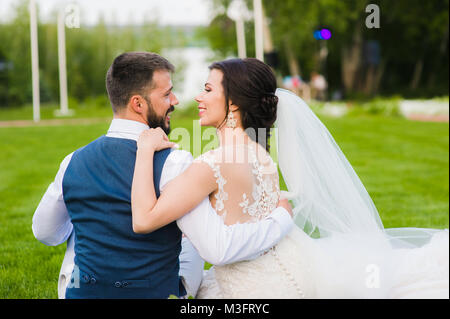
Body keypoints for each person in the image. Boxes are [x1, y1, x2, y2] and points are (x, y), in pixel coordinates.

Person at [132, 58, 449, 298]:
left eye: (208, 89)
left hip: (254, 290)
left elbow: (144, 220)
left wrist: (145, 150)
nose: (199, 98)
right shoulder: (261, 155)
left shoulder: (212, 164)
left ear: (234, 102)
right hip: (289, 273)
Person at [32, 52, 294, 299]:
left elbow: (46, 232)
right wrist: (282, 218)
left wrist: (93, 220)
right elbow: (213, 245)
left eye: (207, 89)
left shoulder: (72, 161)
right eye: (167, 94)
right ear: (138, 103)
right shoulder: (176, 162)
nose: (177, 101)